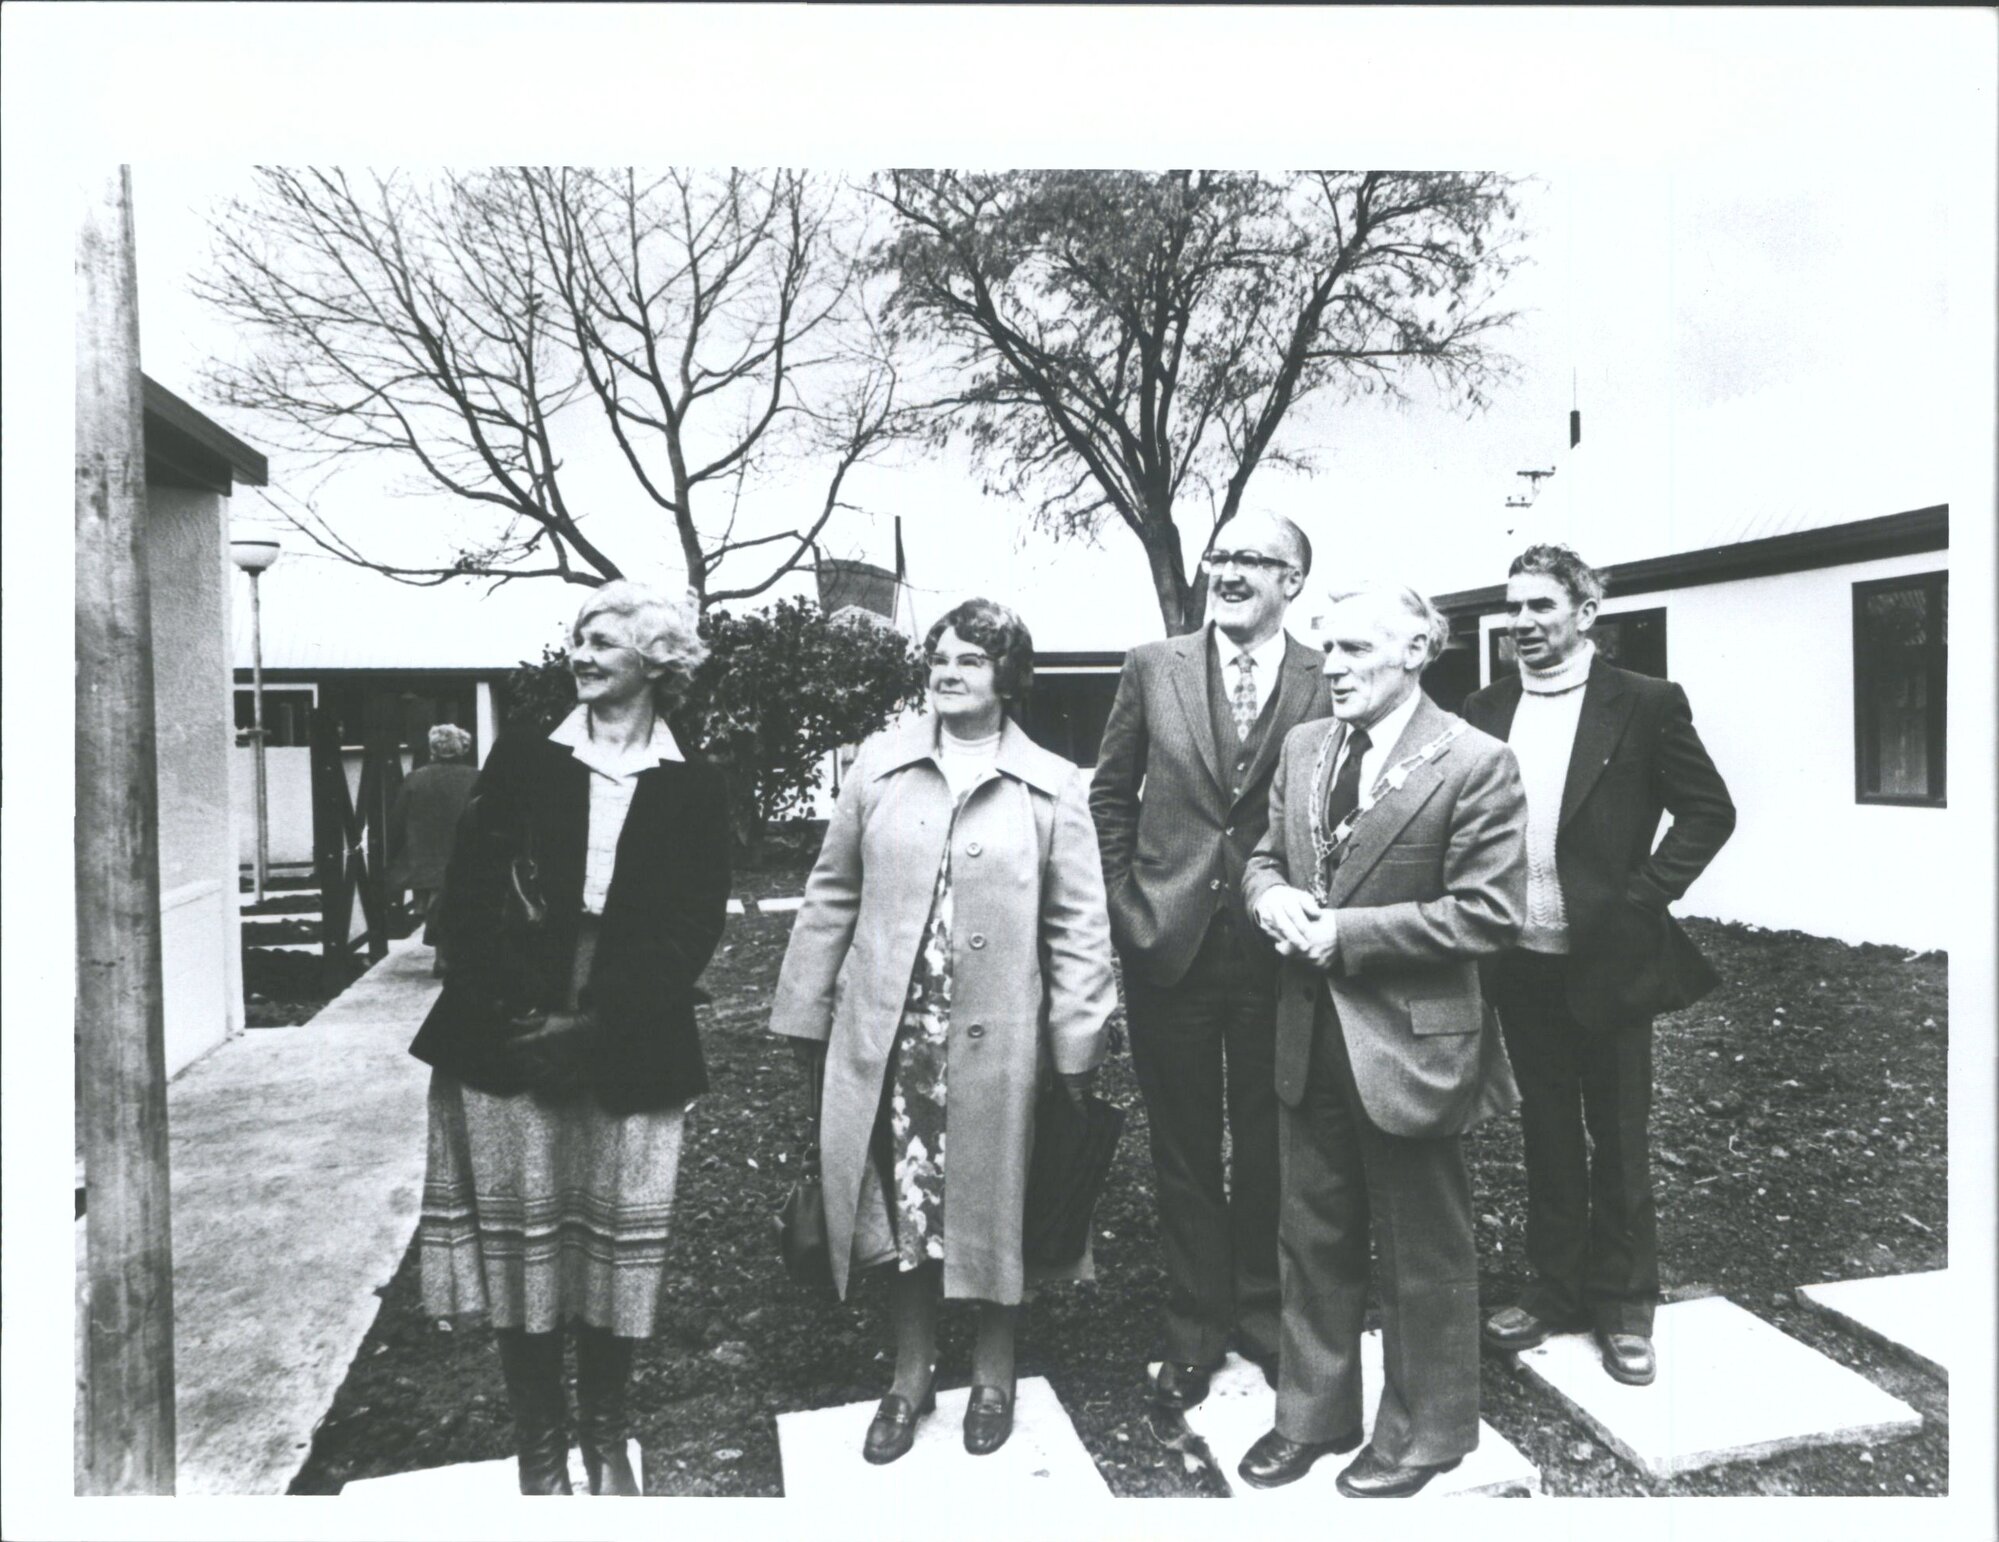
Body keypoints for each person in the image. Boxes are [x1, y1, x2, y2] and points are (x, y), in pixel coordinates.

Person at [770, 598, 1116, 1464]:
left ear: (1009, 676)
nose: (947, 670)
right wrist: (806, 1016)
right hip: (889, 1036)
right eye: (938, 655)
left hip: (1002, 1042)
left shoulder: (1054, 786)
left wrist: (1076, 1045)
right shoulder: (877, 772)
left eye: (970, 658)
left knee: (1001, 1201)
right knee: (903, 1206)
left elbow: (1080, 929)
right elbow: (830, 898)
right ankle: (909, 1374)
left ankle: (994, 1373)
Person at [407, 581, 731, 1495]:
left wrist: (593, 1028)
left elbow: (692, 923)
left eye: (602, 642)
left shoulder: (693, 782)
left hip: (629, 1039)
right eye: (577, 641)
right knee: (525, 1254)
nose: (581, 656)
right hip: (508, 1036)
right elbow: (466, 905)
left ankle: (605, 1438)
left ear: (655, 663)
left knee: (612, 1255)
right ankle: (540, 1455)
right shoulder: (520, 759)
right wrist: (528, 1019)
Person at [1239, 583, 1526, 1497]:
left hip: (1410, 1046)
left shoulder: (1475, 761)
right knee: (1310, 1235)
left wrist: (1349, 937)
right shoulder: (1303, 746)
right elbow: (1262, 857)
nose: (1333, 666)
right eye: (1328, 649)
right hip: (1307, 1032)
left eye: (1356, 649)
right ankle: (1311, 1418)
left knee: (1419, 1250)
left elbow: (1488, 914)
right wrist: (1268, 896)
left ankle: (1425, 1434)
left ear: (1416, 650)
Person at [1463, 545, 1735, 1387]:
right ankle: (1554, 1290)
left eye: (1543, 606)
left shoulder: (1643, 703)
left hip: (1610, 962)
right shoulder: (1484, 706)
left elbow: (1707, 811)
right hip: (1520, 961)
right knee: (1545, 1133)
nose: (1524, 624)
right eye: (1515, 609)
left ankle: (1624, 1307)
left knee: (1616, 1136)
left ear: (1586, 614)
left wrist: (1639, 897)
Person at [1088, 511, 1330, 1409]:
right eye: (1220, 556)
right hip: (1171, 946)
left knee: (1273, 1138)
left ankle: (1263, 1314)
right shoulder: (1152, 666)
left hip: (1277, 954)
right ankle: (1194, 1325)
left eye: (1253, 560)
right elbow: (1110, 794)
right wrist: (1128, 906)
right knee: (1184, 1146)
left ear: (1292, 580)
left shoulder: (1322, 674)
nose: (1228, 571)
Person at [387, 723, 480, 973]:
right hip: (465, 854)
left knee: (437, 907)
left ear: (433, 748)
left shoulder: (415, 778)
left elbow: (397, 820)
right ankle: (454, 957)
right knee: (462, 907)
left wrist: (395, 855)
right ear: (463, 748)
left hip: (426, 856)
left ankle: (442, 957)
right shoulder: (477, 777)